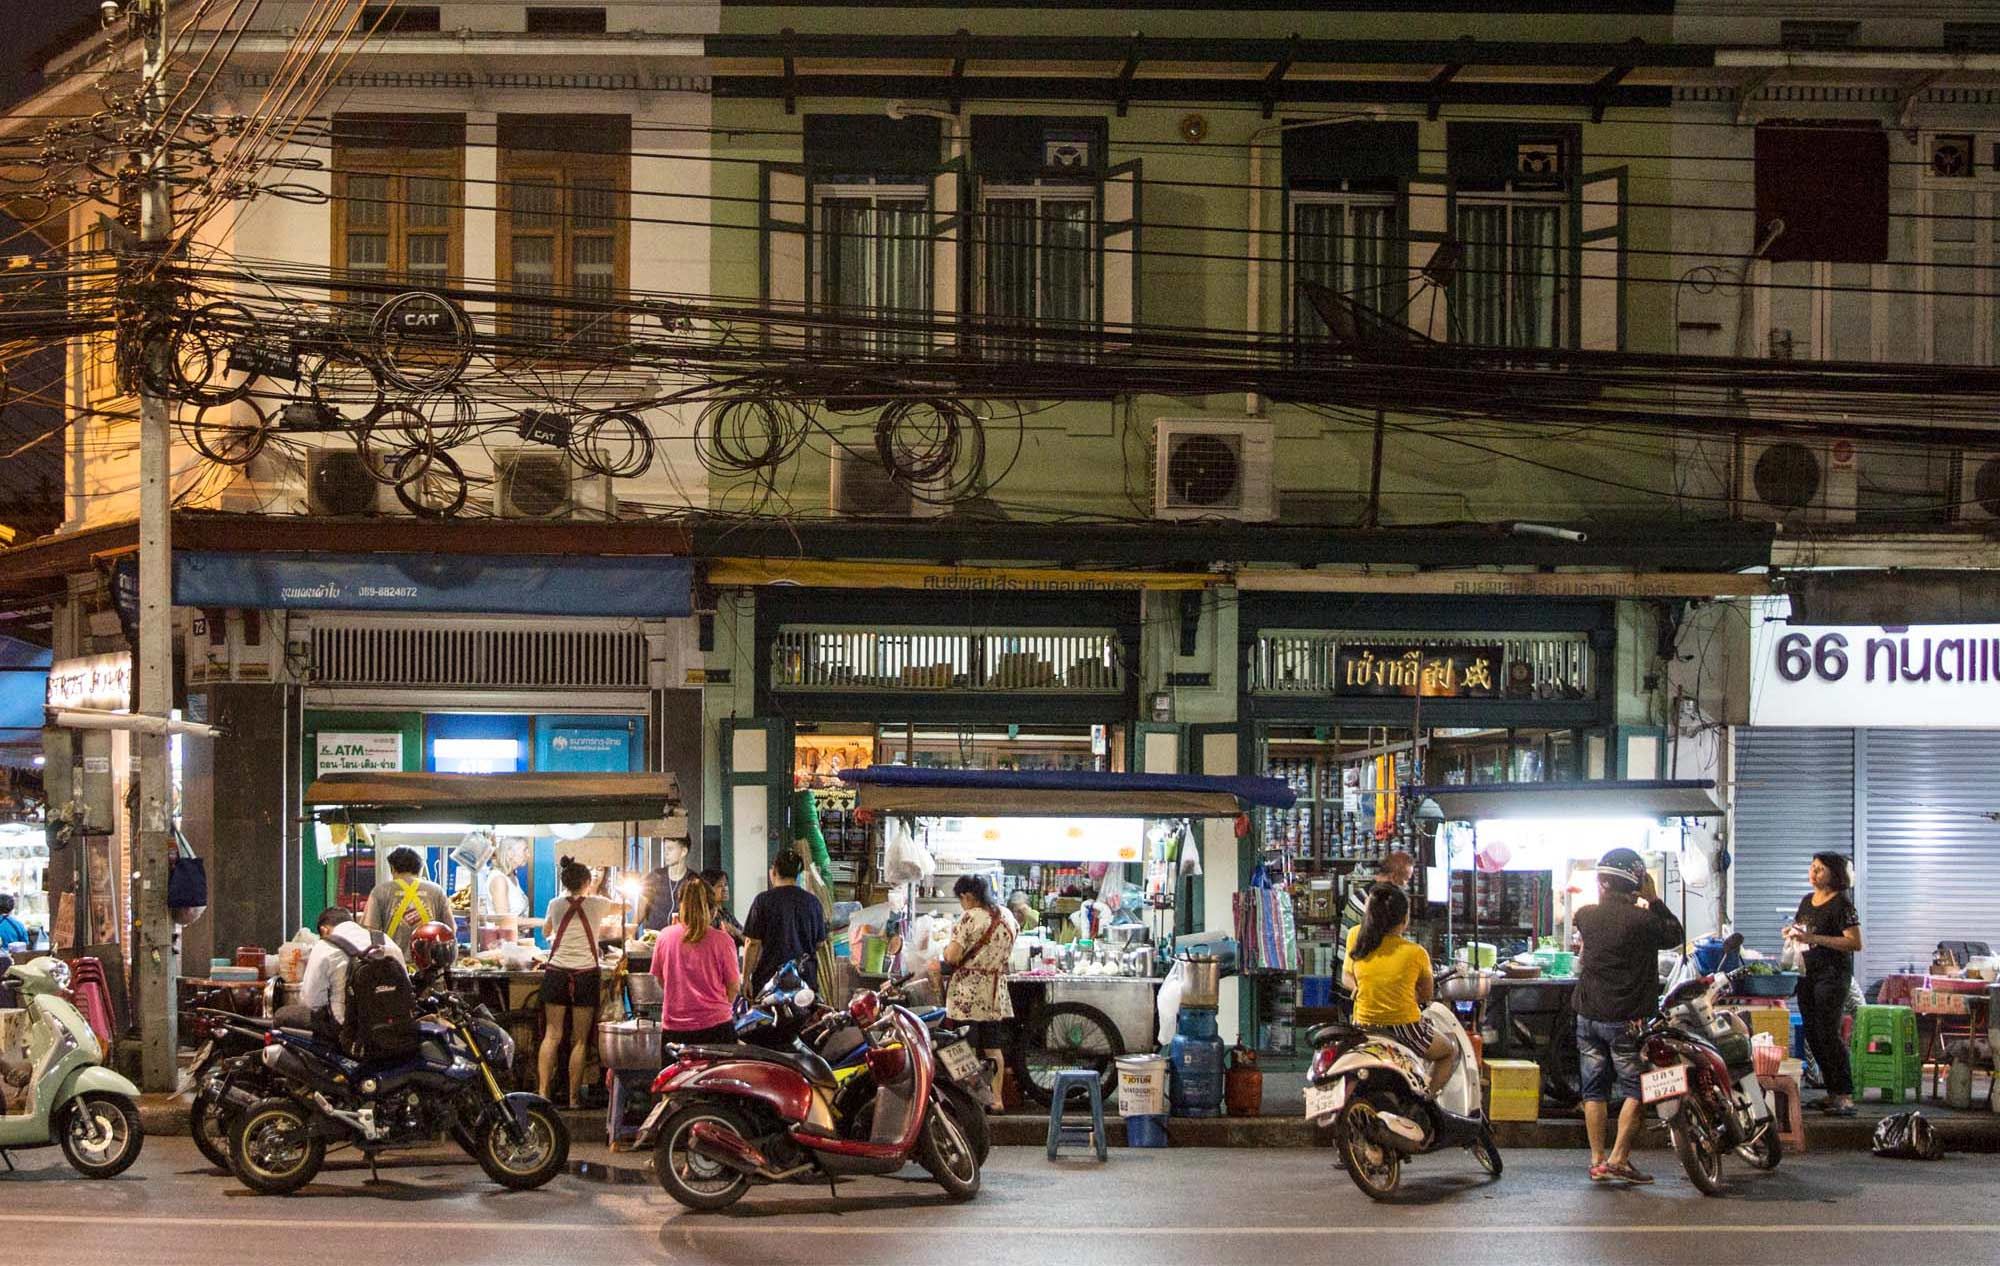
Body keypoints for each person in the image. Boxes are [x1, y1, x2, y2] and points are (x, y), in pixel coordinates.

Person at [1572, 847, 1684, 1185]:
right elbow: (1675, 935)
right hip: (1625, 1019)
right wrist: (1654, 899)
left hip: (1587, 1016)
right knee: (1637, 1089)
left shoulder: (1585, 915)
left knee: (1593, 1090)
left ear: (1603, 883)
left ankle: (1596, 1160)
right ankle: (1619, 1158)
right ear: (1636, 884)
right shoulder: (1646, 921)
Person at [1342, 885, 1456, 1095]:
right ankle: (1426, 1097)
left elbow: (1347, 976)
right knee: (1449, 1051)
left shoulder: (1355, 936)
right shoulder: (1415, 953)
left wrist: (1361, 988)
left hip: (1363, 1026)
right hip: (1405, 1028)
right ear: (1404, 920)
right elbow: (1426, 995)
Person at [1787, 851, 1863, 1117]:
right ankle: (1832, 1093)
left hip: (1832, 976)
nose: (1814, 872)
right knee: (1813, 1033)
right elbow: (1803, 929)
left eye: (1820, 869)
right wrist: (1793, 933)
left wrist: (1817, 938)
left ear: (1835, 874)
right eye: (1812, 867)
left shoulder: (1842, 904)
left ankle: (1844, 1095)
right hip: (1808, 973)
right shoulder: (1807, 901)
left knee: (1828, 1033)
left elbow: (1854, 942)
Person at [538, 855, 617, 1107]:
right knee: (580, 1039)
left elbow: (546, 932)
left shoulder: (555, 903)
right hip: (585, 973)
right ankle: (573, 1098)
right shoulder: (597, 903)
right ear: (587, 881)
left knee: (552, 1034)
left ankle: (542, 1093)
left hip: (557, 970)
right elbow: (625, 907)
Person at [939, 875, 1017, 1103]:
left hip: (968, 992)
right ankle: (997, 1100)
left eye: (961, 899)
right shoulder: (1007, 916)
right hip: (994, 991)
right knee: (993, 1048)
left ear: (968, 896)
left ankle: (971, 1100)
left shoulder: (970, 917)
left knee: (967, 1046)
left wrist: (944, 952)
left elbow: (953, 956)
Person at [651, 878, 742, 1046]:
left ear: (681, 906)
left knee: (677, 1073)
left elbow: (661, 980)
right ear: (713, 910)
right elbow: (734, 986)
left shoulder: (664, 936)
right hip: (717, 1029)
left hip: (675, 1030)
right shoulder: (723, 940)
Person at [298, 908, 405, 1046]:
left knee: (283, 1015)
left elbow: (311, 1001)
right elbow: (404, 985)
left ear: (324, 930)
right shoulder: (385, 941)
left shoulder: (325, 946)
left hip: (349, 1031)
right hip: (393, 1026)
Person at [1334, 850, 1415, 1010]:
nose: (1406, 885)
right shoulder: (1374, 902)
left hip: (1353, 980)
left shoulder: (1366, 894)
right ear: (1393, 877)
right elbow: (1378, 947)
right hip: (1355, 984)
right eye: (1405, 880)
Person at [742, 849, 828, 994]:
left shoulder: (763, 901)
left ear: (773, 871)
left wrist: (745, 979)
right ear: (797, 874)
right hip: (804, 981)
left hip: (769, 981)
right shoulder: (813, 902)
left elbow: (752, 943)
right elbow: (820, 943)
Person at [361, 847, 451, 955]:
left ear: (393, 868)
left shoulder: (380, 891)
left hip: (394, 964)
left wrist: (380, 958)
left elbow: (371, 930)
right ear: (419, 869)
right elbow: (450, 929)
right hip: (429, 963)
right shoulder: (437, 891)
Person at [636, 836, 693, 933]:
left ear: (683, 851)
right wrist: (631, 931)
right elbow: (641, 908)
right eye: (665, 848)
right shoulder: (655, 876)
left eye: (670, 849)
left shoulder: (693, 880)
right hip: (653, 940)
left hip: (682, 940)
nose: (665, 853)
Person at [698, 867, 744, 943]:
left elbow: (748, 939)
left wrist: (734, 930)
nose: (724, 889)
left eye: (725, 885)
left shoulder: (727, 914)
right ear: (708, 889)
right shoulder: (703, 915)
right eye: (719, 886)